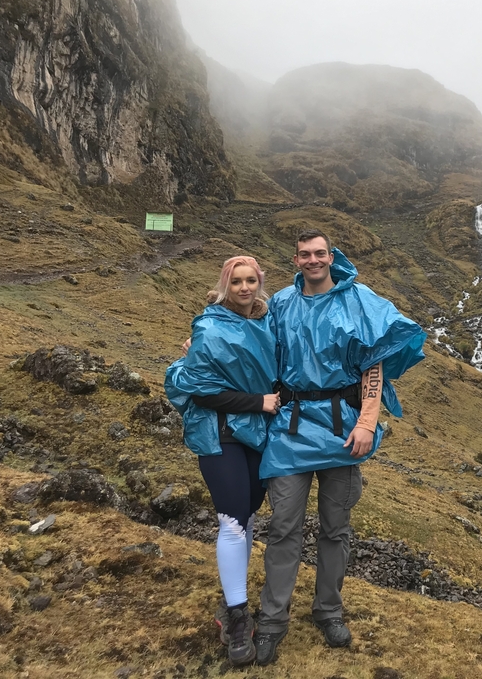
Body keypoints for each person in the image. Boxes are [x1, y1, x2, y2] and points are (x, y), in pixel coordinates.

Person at [253, 229, 426, 665]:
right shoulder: (280, 305)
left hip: (341, 429)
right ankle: (272, 621)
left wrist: (368, 422)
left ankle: (328, 610)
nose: (313, 260)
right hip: (289, 430)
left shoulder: (358, 300)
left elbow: (374, 364)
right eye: (304, 254)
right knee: (283, 527)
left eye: (319, 253)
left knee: (335, 528)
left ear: (332, 256)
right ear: (295, 260)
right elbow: (247, 344)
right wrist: (199, 348)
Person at [164, 256, 279, 667]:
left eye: (251, 281)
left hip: (258, 436)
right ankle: (237, 617)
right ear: (225, 285)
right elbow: (201, 392)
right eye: (237, 282)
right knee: (231, 520)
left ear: (259, 284)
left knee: (247, 515)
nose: (244, 288)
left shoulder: (268, 323)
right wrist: (258, 402)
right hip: (221, 433)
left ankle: (234, 595)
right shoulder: (210, 326)